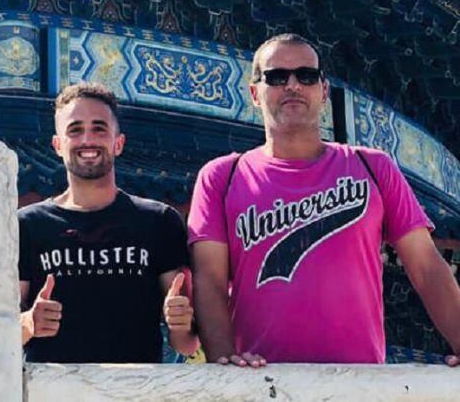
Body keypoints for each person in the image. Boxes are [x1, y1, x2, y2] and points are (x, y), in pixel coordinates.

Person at [189, 32, 460, 366]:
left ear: (323, 90)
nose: (292, 85)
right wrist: (224, 364)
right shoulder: (222, 177)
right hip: (260, 381)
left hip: (359, 382)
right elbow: (209, 280)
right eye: (276, 77)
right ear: (254, 93)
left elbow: (426, 266)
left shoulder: (372, 167)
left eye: (306, 75)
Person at [18, 82, 198, 363]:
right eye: (75, 130)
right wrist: (29, 323)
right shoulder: (27, 225)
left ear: (118, 142)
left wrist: (180, 322)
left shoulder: (158, 221)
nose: (87, 140)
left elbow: (185, 344)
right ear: (57, 145)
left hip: (135, 392)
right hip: (52, 389)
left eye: (99, 128)